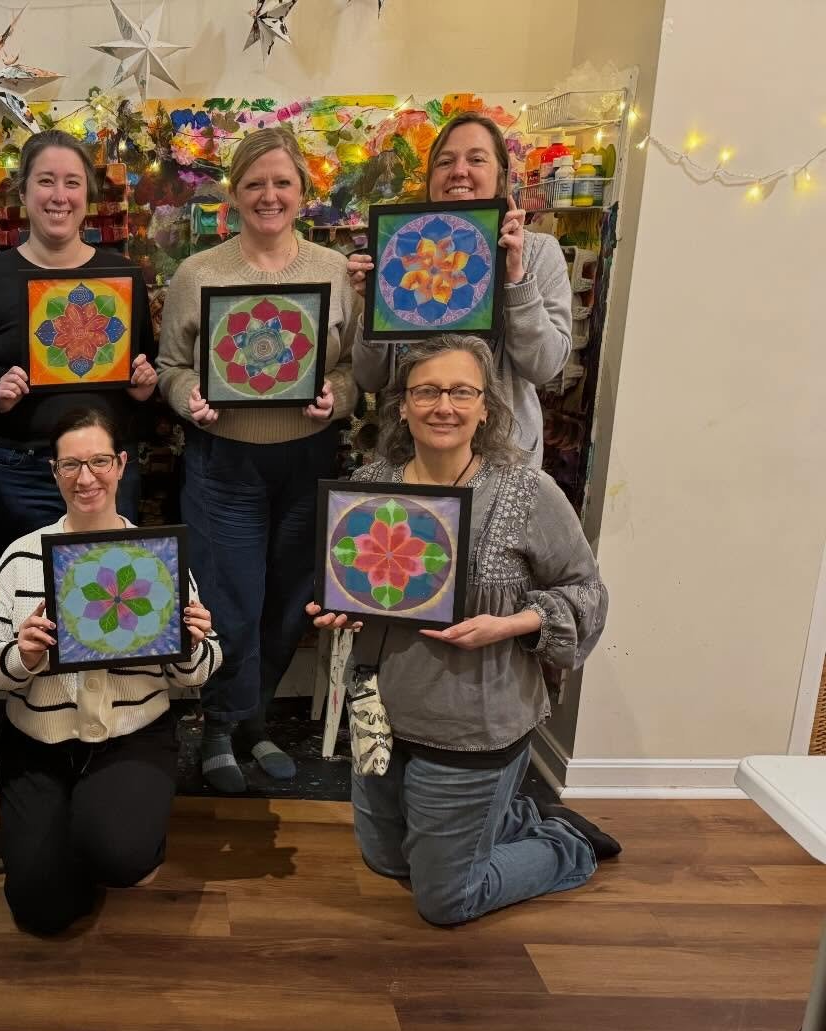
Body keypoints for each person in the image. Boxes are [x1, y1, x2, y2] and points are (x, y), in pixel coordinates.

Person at [309, 333, 615, 926]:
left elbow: (588, 594)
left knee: (446, 900)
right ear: (402, 404)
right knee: (385, 861)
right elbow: (360, 588)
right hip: (383, 714)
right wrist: (341, 606)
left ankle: (563, 845)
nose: (442, 406)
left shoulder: (528, 492)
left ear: (485, 406)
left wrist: (514, 624)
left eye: (460, 391)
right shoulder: (372, 486)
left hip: (474, 724)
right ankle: (506, 819)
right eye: (426, 391)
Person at [155, 126, 357, 794]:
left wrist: (339, 398)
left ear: (302, 192)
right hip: (224, 462)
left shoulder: (331, 271)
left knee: (286, 603)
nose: (269, 195)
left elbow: (356, 368)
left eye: (282, 183)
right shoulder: (200, 274)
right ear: (233, 195)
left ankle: (256, 721)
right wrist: (191, 400)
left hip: (308, 458)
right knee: (229, 599)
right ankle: (218, 724)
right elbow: (170, 370)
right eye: (254, 184)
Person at [0, 408, 220, 935]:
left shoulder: (158, 555)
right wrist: (23, 656)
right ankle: (71, 837)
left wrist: (190, 644)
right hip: (39, 740)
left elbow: (200, 670)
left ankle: (113, 833)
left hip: (132, 735)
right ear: (54, 473)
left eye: (99, 461)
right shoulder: (23, 556)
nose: (86, 478)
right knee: (40, 907)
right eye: (71, 465)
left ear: (122, 464)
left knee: (121, 859)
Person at [0, 130, 158, 566]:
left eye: (72, 182)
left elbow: (146, 370)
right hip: (20, 473)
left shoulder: (121, 275)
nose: (59, 196)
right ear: (24, 191)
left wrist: (144, 388)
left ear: (88, 194)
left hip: (108, 473)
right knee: (27, 599)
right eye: (46, 181)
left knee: (110, 593)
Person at [348, 111, 572, 466]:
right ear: (431, 178)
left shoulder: (537, 253)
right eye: (445, 161)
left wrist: (516, 280)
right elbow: (370, 376)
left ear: (501, 176)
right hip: (407, 458)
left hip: (501, 463)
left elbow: (544, 367)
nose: (459, 171)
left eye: (477, 159)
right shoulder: (400, 248)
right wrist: (372, 308)